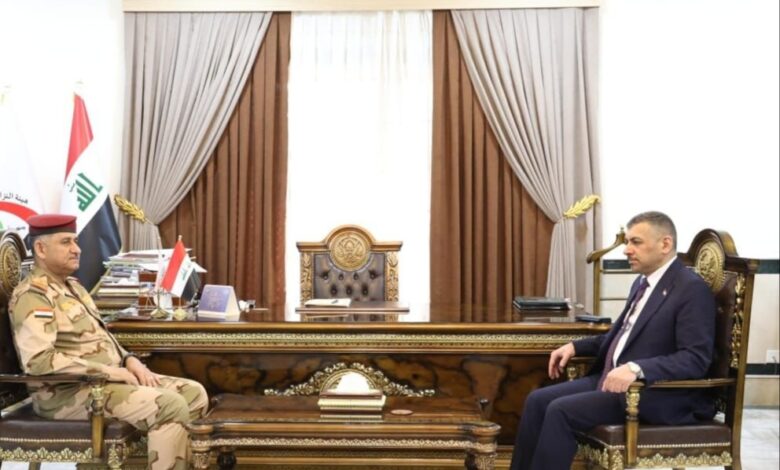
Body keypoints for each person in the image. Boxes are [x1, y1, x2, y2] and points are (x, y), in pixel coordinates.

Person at [509, 211, 717, 470]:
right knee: (537, 401)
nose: (627, 250)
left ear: (665, 244)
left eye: (635, 242)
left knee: (560, 410)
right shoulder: (642, 283)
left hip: (653, 393)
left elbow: (695, 359)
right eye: (627, 242)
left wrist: (637, 368)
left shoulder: (690, 289)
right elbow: (621, 337)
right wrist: (575, 346)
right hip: (613, 381)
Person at [8, 214, 209, 470]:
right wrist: (111, 372)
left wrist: (129, 359)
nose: (77, 249)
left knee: (194, 394)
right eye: (66, 242)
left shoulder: (74, 287)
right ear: (40, 249)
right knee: (170, 405)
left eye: (76, 241)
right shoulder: (33, 295)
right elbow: (39, 361)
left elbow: (101, 337)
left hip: (103, 383)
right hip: (67, 394)